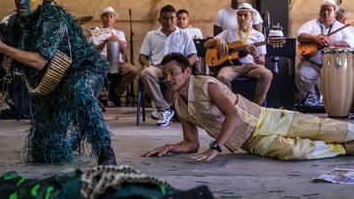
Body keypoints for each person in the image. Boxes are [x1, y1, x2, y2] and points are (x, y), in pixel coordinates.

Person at [0, 0, 116, 165]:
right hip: (52, 81)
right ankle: (78, 134)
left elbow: (39, 61)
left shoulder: (53, 19)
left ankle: (105, 150)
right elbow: (1, 42)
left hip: (83, 70)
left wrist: (1, 47)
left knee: (78, 90)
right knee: (45, 152)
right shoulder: (16, 22)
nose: (20, 1)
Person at [143, 52, 354, 161]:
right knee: (296, 152)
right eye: (165, 74)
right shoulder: (180, 106)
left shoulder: (206, 85)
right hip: (250, 142)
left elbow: (233, 116)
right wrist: (170, 147)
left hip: (267, 120)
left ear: (187, 72)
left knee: (323, 128)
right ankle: (346, 149)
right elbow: (192, 143)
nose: (168, 79)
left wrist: (216, 147)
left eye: (173, 73)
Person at [139, 4, 197, 127]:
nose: (169, 21)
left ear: (176, 19)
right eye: (165, 18)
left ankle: (165, 109)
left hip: (177, 68)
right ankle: (165, 109)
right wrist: (146, 63)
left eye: (172, 18)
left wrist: (184, 66)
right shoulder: (151, 35)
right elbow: (142, 56)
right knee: (146, 73)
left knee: (175, 74)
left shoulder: (184, 35)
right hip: (158, 67)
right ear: (159, 20)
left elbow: (193, 56)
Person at [204, 3, 272, 106]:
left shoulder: (258, 36)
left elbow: (262, 61)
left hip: (251, 66)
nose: (242, 18)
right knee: (222, 77)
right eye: (239, 15)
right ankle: (233, 107)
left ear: (252, 18)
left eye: (246, 15)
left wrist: (256, 56)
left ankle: (256, 108)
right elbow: (206, 44)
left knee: (267, 74)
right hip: (232, 66)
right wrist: (217, 41)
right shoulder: (229, 32)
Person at [296, 0, 354, 107]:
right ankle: (311, 97)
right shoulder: (311, 24)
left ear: (334, 13)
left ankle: (335, 102)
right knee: (302, 73)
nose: (326, 12)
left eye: (329, 10)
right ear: (319, 11)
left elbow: (350, 43)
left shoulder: (341, 27)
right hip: (312, 62)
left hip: (335, 65)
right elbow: (300, 35)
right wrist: (315, 38)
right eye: (323, 10)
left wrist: (333, 43)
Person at [90, 6, 138, 107]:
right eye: (106, 16)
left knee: (132, 70)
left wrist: (116, 40)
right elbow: (94, 51)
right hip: (101, 62)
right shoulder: (96, 33)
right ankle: (101, 96)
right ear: (102, 18)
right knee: (96, 68)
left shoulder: (119, 33)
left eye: (111, 16)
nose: (108, 18)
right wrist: (105, 41)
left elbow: (122, 51)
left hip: (118, 62)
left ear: (114, 19)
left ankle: (115, 93)